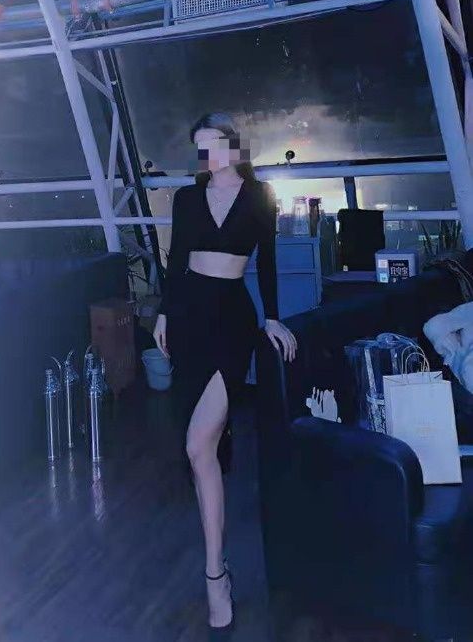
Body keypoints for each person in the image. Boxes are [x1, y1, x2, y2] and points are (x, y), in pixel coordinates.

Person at [153, 111, 296, 635]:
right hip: (188, 318)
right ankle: (219, 569)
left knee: (199, 445)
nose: (207, 154)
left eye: (214, 142)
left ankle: (215, 574)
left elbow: (269, 261)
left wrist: (273, 317)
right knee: (199, 453)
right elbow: (175, 263)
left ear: (234, 145)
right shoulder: (187, 198)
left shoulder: (259, 197)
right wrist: (163, 314)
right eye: (200, 145)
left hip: (231, 322)